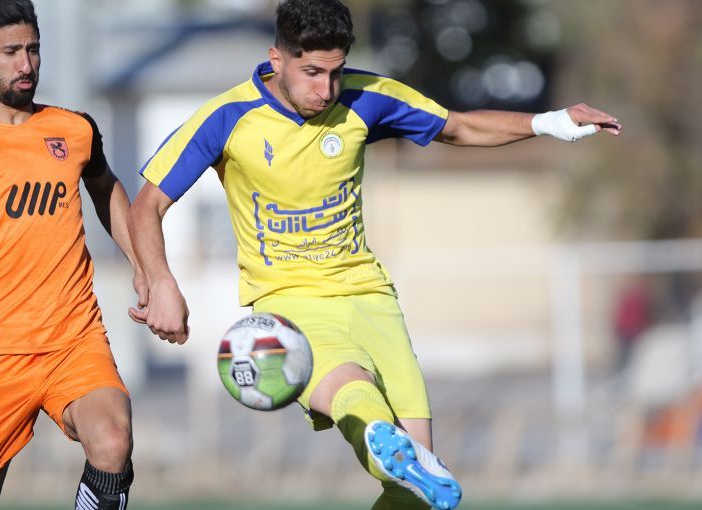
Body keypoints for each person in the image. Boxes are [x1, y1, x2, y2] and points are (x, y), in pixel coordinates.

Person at [127, 1, 621, 508]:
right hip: (290, 304)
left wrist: (551, 121)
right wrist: (161, 281)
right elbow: (147, 206)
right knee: (355, 395)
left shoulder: (367, 98)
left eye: (336, 72)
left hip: (371, 299)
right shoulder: (227, 117)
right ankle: (377, 432)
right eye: (312, 73)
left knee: (423, 490)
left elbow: (457, 126)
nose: (326, 89)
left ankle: (390, 449)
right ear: (277, 59)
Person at [0, 1, 147, 508]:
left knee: (112, 440)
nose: (26, 64)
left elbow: (106, 188)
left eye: (33, 49)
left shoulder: (74, 129)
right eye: (11, 52)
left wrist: (146, 269)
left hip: (75, 340)